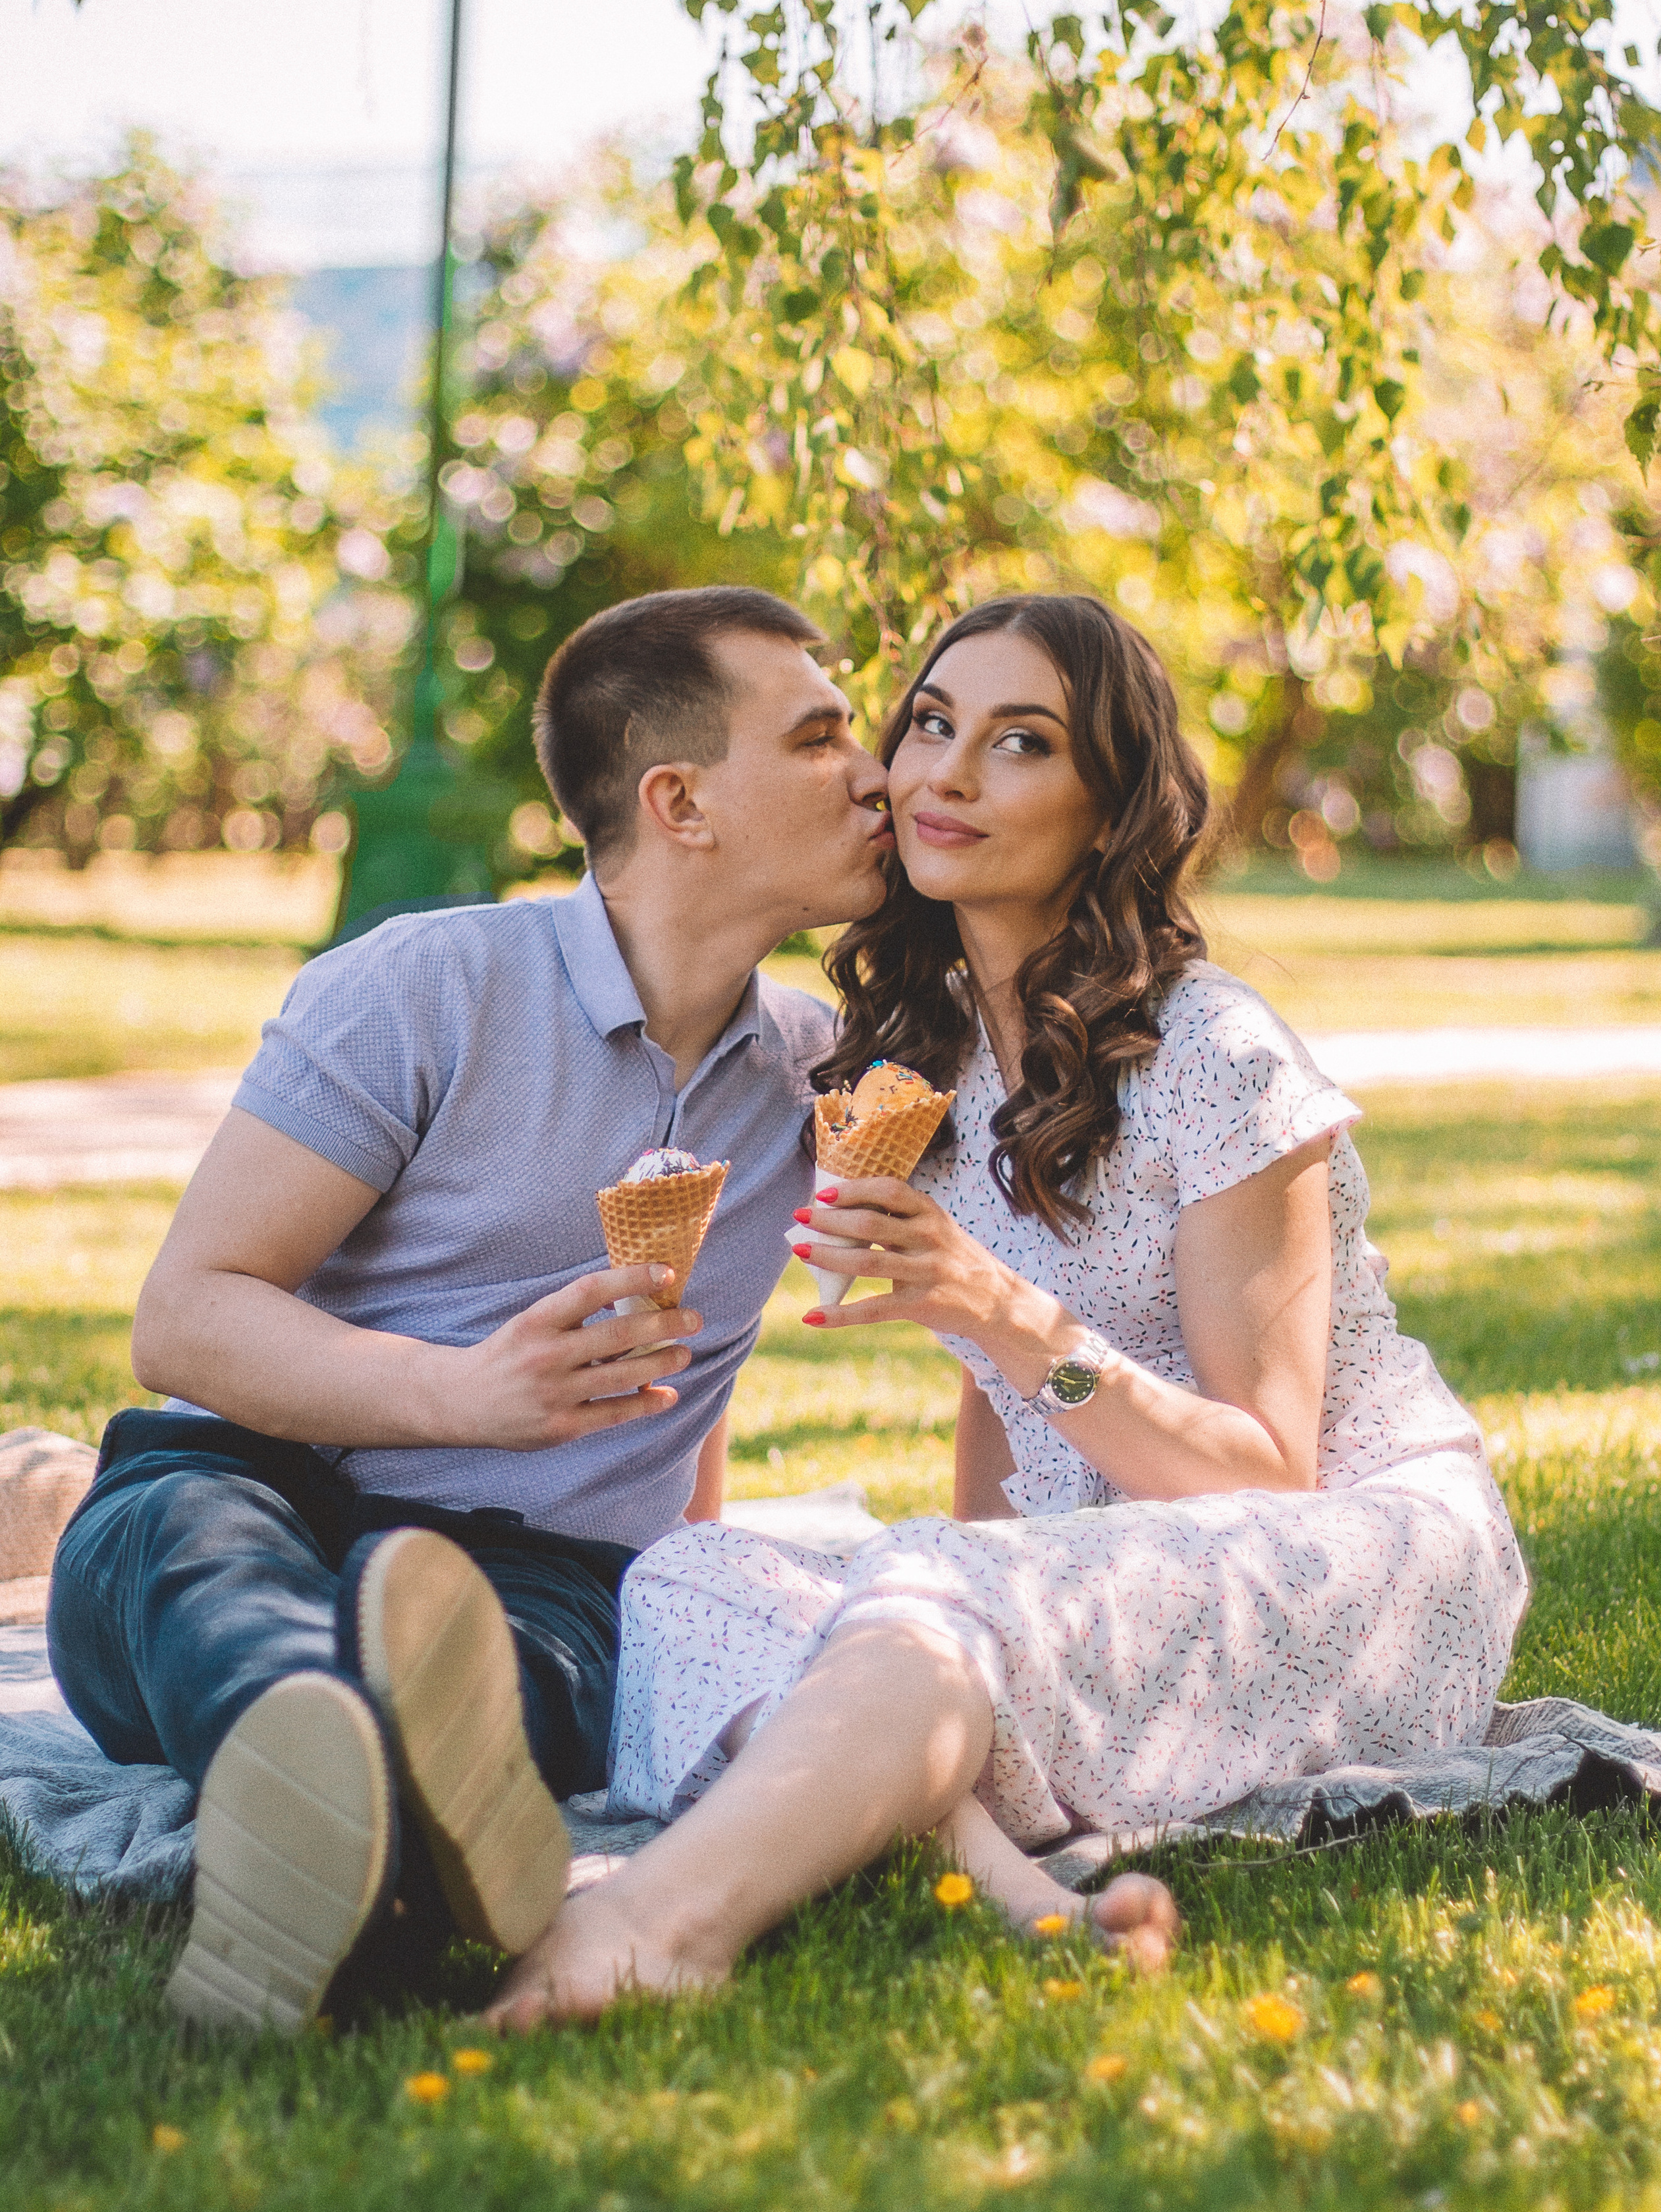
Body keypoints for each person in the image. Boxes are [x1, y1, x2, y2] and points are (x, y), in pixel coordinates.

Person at [488, 592, 1529, 2025]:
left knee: (921, 1607)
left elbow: (1264, 1468)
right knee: (685, 1578)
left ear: (1107, 806)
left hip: (1344, 1554)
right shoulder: (922, 1061)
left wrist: (995, 1308)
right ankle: (1005, 1880)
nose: (943, 775)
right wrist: (969, 1533)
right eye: (928, 724)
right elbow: (992, 1450)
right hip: (1095, 1552)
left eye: (1019, 742)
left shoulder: (1212, 1055)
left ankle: (662, 1920)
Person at [46, 585, 892, 2032]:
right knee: (206, 1563)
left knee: (518, 1672)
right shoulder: (423, 989)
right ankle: (345, 1780)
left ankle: (342, 1820)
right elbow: (185, 1318)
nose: (876, 774)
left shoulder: (817, 1085)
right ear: (678, 800)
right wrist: (461, 1400)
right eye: (820, 739)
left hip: (535, 1576)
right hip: (253, 1479)